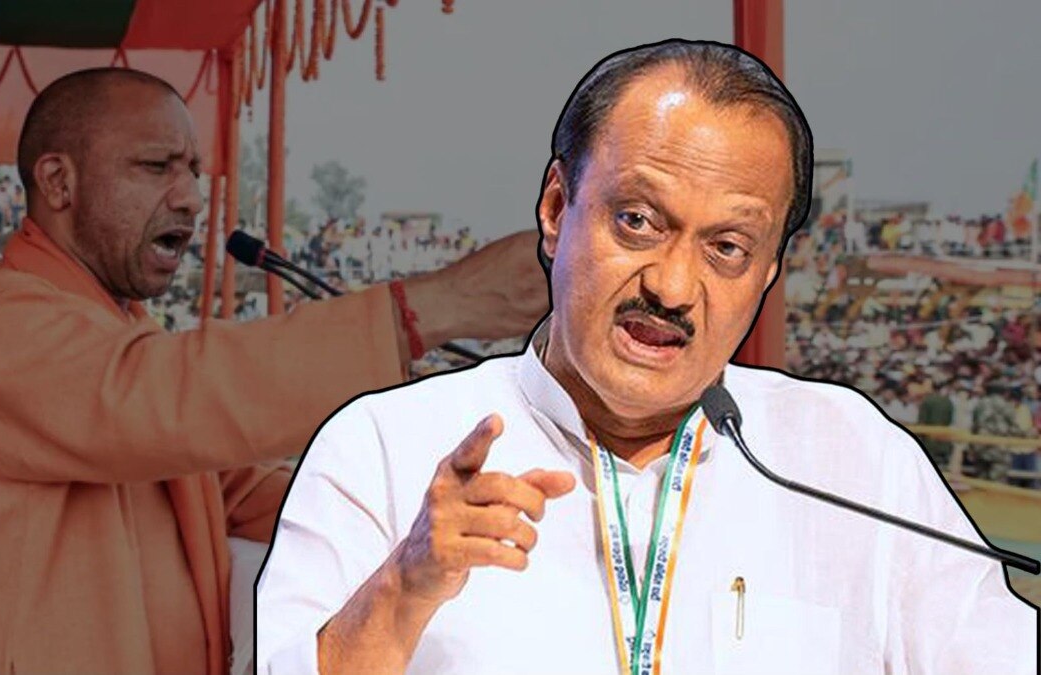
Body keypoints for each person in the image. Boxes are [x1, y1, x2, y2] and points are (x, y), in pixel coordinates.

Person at [257, 41, 1037, 675]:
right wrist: (404, 586)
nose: (670, 286)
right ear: (556, 209)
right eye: (637, 221)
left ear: (768, 273)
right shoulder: (383, 451)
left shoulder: (853, 460)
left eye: (727, 248)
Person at [0, 67, 549, 675]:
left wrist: (419, 509)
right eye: (156, 167)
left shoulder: (120, 331)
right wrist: (433, 307)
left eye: (193, 172)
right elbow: (171, 397)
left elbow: (235, 487)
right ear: (59, 182)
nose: (190, 198)